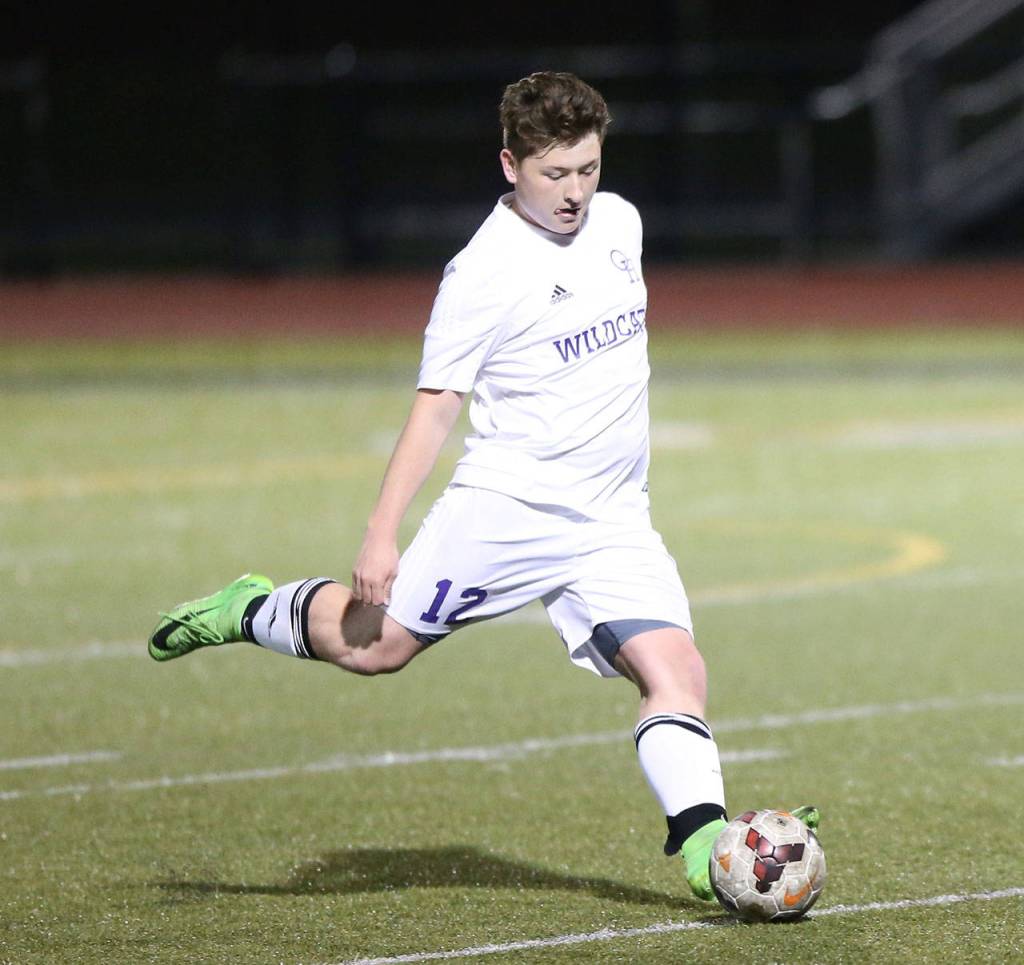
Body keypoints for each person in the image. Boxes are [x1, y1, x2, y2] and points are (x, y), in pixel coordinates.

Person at [148, 70, 816, 901]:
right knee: (376, 646)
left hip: (612, 520)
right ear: (510, 164)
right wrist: (380, 532)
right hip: (508, 510)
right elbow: (434, 412)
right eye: (554, 174)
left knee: (677, 671)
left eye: (588, 168)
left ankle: (707, 846)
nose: (575, 193)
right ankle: (250, 606)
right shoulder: (481, 273)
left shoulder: (621, 223)